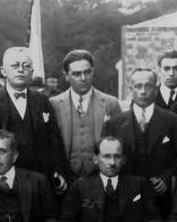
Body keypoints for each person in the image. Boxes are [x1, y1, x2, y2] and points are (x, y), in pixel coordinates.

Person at [0, 47, 67, 188]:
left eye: (26, 66)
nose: (20, 70)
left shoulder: (42, 101)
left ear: (32, 72)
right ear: (4, 71)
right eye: (15, 65)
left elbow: (54, 140)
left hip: (37, 181)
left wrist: (57, 170)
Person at [102, 67, 177, 213]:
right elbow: (106, 158)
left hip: (160, 197)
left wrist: (166, 178)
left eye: (148, 86)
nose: (143, 91)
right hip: (125, 196)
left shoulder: (172, 121)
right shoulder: (114, 124)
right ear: (131, 89)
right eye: (138, 86)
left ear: (156, 89)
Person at [49, 49, 122, 181]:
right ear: (66, 76)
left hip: (100, 179)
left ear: (92, 71)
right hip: (66, 179)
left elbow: (120, 144)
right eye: (76, 74)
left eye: (87, 72)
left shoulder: (111, 104)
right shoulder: (54, 105)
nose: (83, 78)